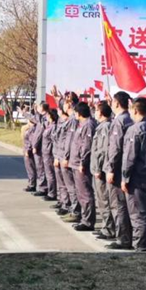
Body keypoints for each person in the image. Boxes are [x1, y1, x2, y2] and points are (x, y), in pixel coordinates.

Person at [121, 97, 146, 253]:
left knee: (137, 213)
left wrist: (125, 177)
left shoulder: (135, 129)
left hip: (136, 176)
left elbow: (130, 156)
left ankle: (141, 246)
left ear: (135, 110)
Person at [103, 91, 134, 249]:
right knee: (126, 205)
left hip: (118, 169)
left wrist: (110, 169)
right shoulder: (131, 119)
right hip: (127, 168)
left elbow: (115, 148)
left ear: (116, 103)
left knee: (118, 205)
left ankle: (123, 238)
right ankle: (127, 236)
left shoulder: (119, 121)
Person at [69, 102, 97, 231]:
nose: (74, 114)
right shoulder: (81, 125)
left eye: (75, 112)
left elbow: (86, 146)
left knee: (85, 193)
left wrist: (82, 162)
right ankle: (84, 218)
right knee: (80, 193)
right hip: (75, 163)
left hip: (81, 164)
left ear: (80, 113)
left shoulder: (88, 125)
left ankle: (88, 221)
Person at [90, 101, 115, 240]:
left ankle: (108, 229)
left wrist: (98, 168)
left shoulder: (105, 127)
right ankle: (107, 227)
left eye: (96, 110)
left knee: (104, 200)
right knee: (102, 200)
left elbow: (103, 150)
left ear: (101, 112)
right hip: (98, 168)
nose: (95, 112)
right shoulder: (102, 126)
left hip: (101, 170)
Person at [61, 93, 82, 223]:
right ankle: (72, 209)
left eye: (65, 102)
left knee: (73, 187)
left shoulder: (73, 121)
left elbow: (71, 141)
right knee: (70, 187)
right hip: (66, 156)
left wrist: (66, 156)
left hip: (70, 158)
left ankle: (76, 211)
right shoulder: (70, 119)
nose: (63, 104)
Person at [53, 107, 72, 216]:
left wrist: (63, 157)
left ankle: (68, 205)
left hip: (64, 157)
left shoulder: (70, 123)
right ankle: (63, 202)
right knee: (61, 183)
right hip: (59, 156)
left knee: (67, 185)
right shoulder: (61, 123)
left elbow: (67, 143)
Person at [30, 102, 50, 197]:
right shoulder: (41, 117)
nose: (37, 107)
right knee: (40, 168)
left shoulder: (46, 118)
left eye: (39, 106)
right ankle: (42, 187)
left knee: (41, 168)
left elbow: (40, 133)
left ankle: (43, 188)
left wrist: (35, 145)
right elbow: (34, 118)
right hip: (40, 146)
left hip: (42, 147)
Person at [41, 109, 58, 202]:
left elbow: (54, 141)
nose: (46, 117)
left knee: (50, 174)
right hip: (45, 151)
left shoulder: (53, 127)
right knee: (48, 174)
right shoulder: (49, 125)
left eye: (48, 115)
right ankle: (50, 191)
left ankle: (52, 193)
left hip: (49, 152)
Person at [22, 116, 37, 192]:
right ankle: (31, 183)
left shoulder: (32, 130)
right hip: (26, 150)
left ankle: (32, 184)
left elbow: (30, 141)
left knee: (30, 168)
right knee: (29, 168)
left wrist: (28, 150)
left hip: (28, 151)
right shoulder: (29, 129)